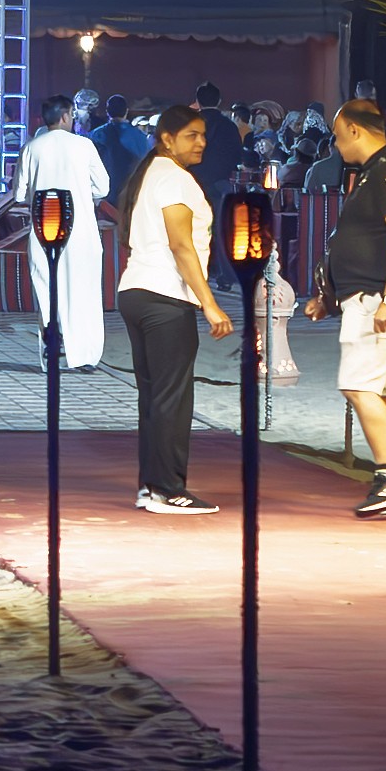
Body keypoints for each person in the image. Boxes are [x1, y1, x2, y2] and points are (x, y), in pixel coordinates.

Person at [307, 89, 386, 511]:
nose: (335, 143)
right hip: (366, 299)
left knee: (357, 386)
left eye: (337, 135)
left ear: (353, 129)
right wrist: (330, 296)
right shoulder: (372, 172)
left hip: (378, 302)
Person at [114, 100, 225, 510]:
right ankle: (167, 488)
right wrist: (210, 304)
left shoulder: (154, 174)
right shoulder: (175, 179)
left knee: (156, 396)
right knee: (171, 399)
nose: (201, 142)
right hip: (164, 296)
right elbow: (182, 245)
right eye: (191, 135)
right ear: (167, 139)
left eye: (203, 135)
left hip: (138, 291)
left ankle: (152, 485)